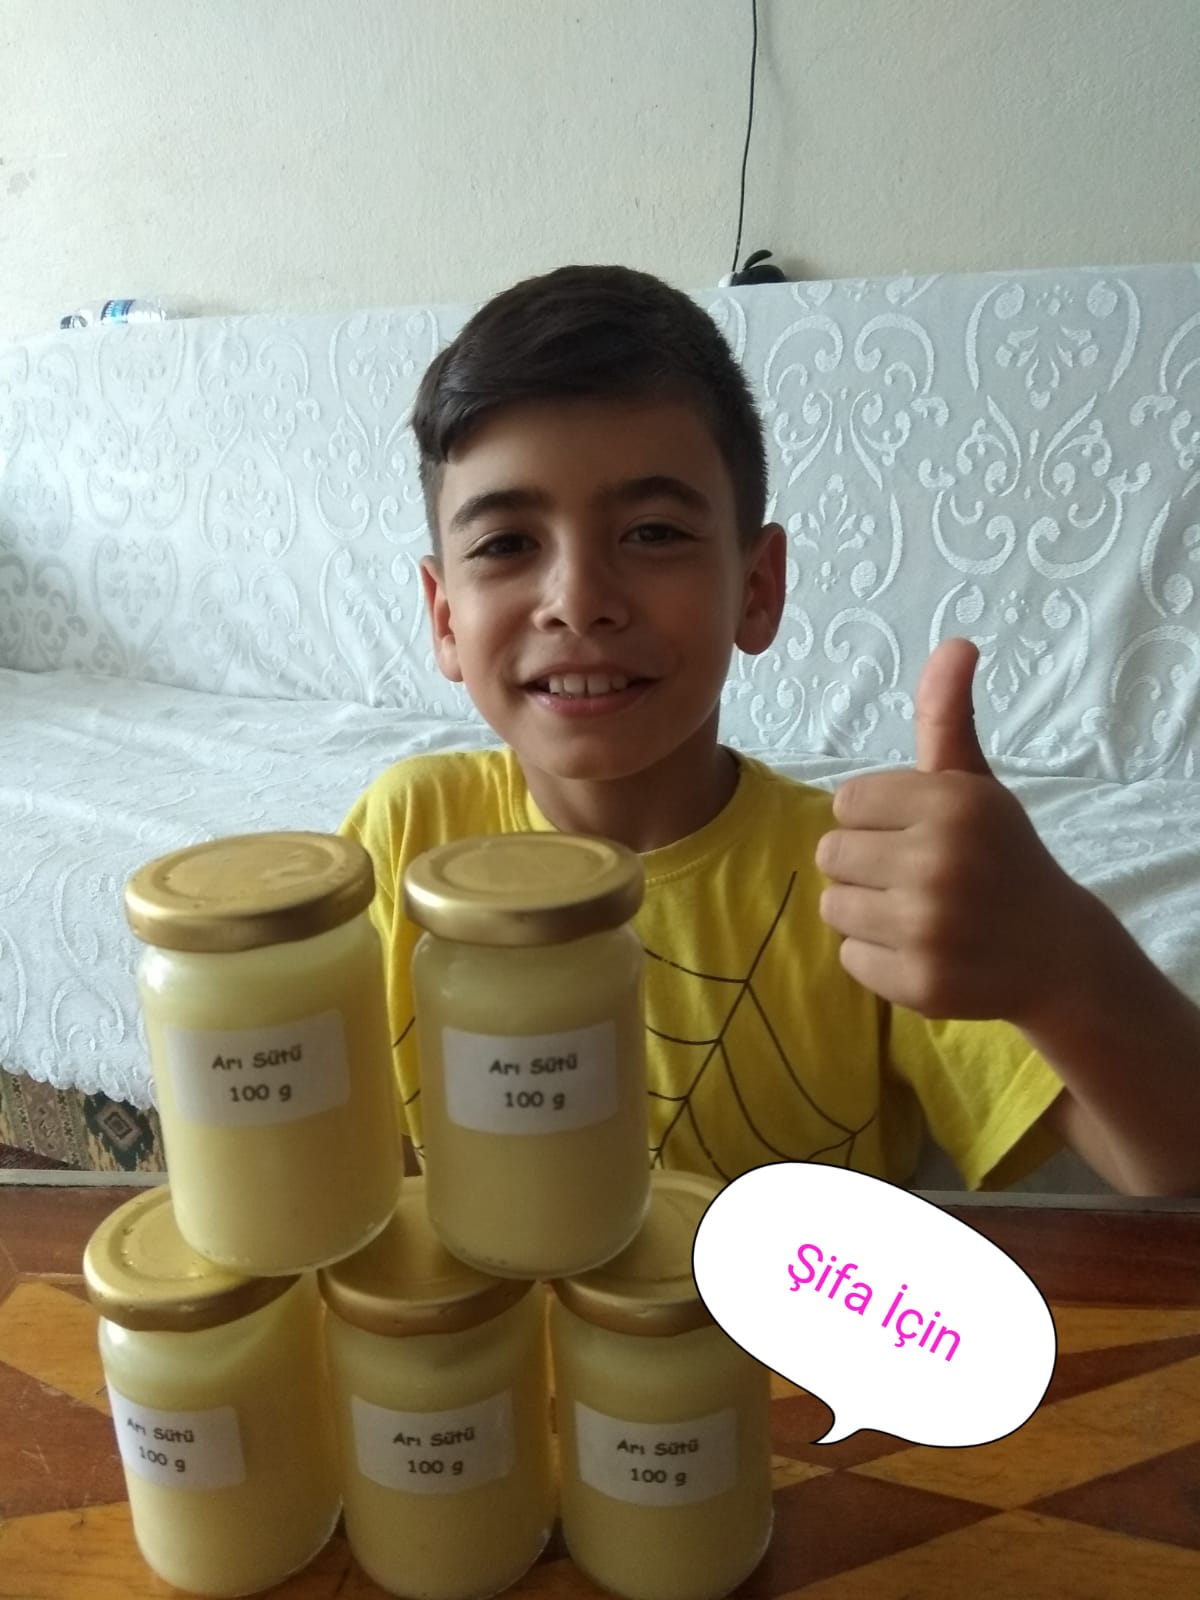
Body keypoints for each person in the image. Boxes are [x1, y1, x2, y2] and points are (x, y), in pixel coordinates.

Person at [340, 264, 1200, 1198]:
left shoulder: (865, 880)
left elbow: (1169, 1164)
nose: (578, 601)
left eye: (653, 532)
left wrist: (1066, 956)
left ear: (757, 588)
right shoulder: (404, 837)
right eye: (506, 544)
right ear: (444, 618)